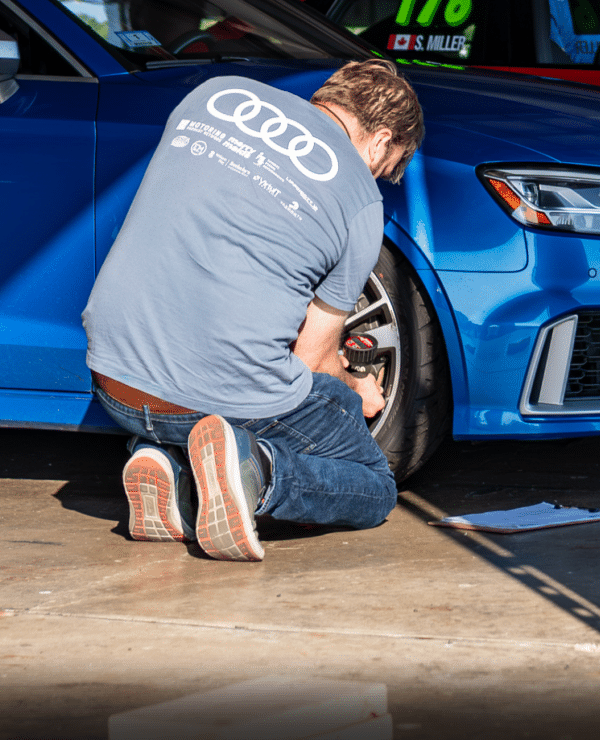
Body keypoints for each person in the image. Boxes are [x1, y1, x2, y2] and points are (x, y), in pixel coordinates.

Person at [82, 59, 425, 561]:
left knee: (218, 396)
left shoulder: (217, 95)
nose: (375, 177)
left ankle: (167, 464)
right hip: (213, 396)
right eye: (385, 167)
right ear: (380, 141)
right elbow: (310, 362)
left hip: (114, 383)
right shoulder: (360, 201)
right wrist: (357, 389)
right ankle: (255, 474)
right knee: (372, 481)